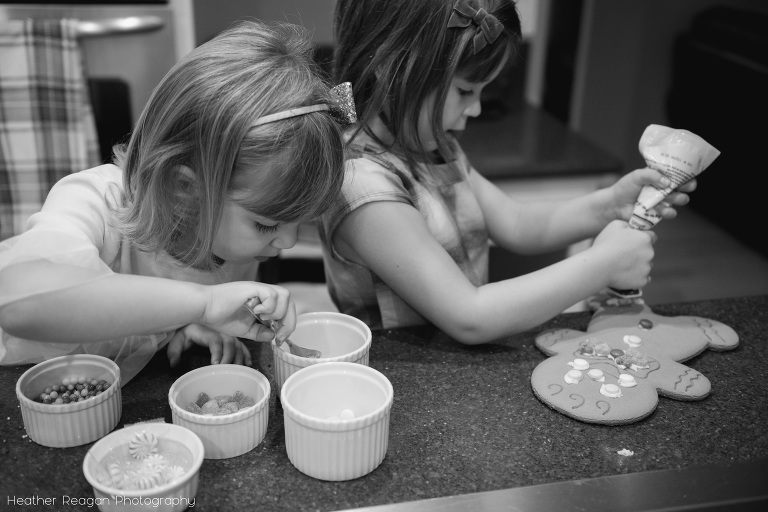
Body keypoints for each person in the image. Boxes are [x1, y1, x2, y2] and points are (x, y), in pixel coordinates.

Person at [320, 0, 696, 343]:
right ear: (392, 68)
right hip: (402, 385)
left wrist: (611, 206)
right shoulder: (361, 184)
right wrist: (604, 266)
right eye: (466, 90)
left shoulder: (431, 145)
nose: (477, 109)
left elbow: (517, 223)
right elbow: (470, 317)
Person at [0, 20, 349, 383]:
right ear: (185, 187)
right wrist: (205, 303)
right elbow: (21, 304)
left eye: (298, 222)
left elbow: (138, 314)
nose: (288, 242)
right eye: (268, 223)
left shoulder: (233, 231)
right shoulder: (93, 201)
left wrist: (183, 324)